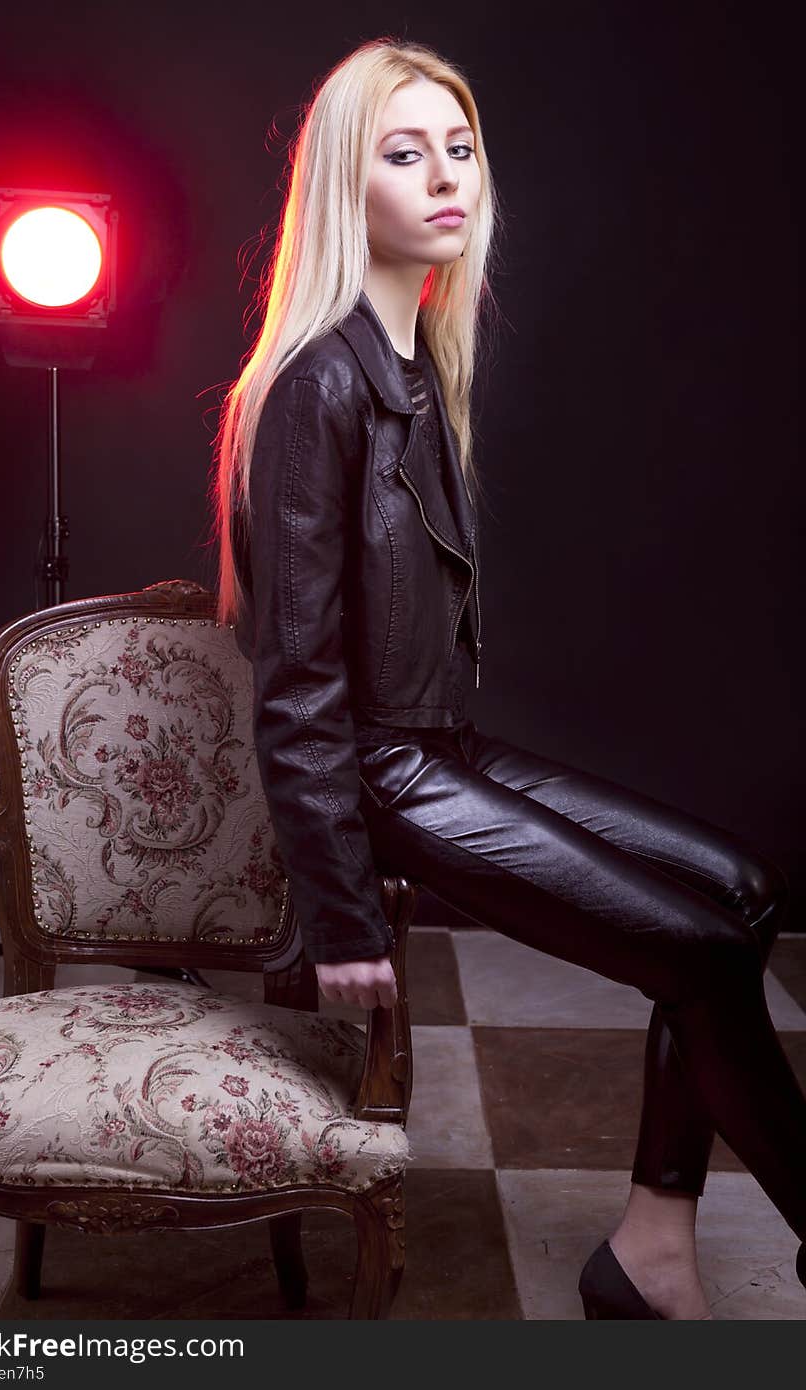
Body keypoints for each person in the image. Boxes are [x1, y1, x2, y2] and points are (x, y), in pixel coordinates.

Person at [208, 37, 806, 1320]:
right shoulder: (319, 387)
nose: (446, 179)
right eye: (405, 152)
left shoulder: (418, 368)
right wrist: (343, 917)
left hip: (443, 751)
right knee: (700, 953)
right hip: (383, 775)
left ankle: (649, 1247)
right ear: (340, 187)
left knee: (742, 897)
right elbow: (296, 685)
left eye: (461, 149)